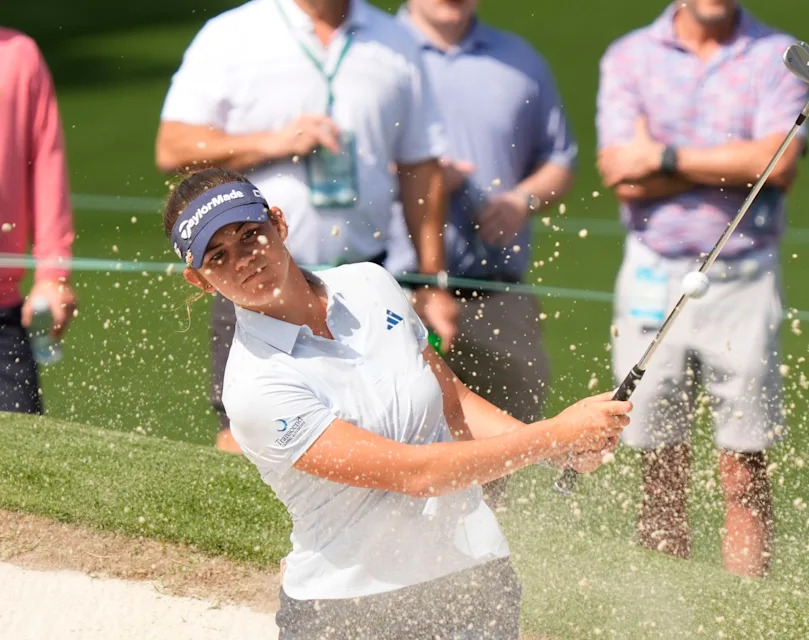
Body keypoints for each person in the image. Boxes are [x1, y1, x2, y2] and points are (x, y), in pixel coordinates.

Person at [162, 167, 631, 639]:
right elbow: (416, 474)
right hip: (350, 612)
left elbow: (454, 403)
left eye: (250, 236)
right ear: (200, 281)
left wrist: (557, 451)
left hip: (475, 576)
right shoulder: (254, 386)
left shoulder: (369, 284)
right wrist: (556, 433)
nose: (243, 260)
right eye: (218, 256)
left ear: (279, 224)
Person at [155, 0, 459, 454]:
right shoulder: (230, 34)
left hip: (367, 278)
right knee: (247, 441)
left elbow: (421, 169)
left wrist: (433, 280)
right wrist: (274, 142)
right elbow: (172, 147)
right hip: (248, 277)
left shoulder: (396, 41)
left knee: (400, 420)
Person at [596, 0, 809, 577]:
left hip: (744, 274)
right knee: (659, 462)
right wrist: (737, 160)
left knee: (744, 465)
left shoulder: (776, 56)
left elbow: (779, 162)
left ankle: (744, 614)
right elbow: (619, 171)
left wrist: (662, 157)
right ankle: (670, 613)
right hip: (650, 271)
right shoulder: (631, 56)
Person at [385, 0, 577, 505]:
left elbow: (561, 161)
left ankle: (485, 568)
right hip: (392, 286)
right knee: (398, 436)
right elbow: (342, 156)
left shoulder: (519, 60)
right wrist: (417, 177)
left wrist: (523, 199)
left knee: (503, 449)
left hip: (498, 291)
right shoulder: (378, 52)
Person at [0, 28, 77, 414]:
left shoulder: (20, 55)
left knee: (19, 460)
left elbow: (47, 167)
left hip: (2, 314)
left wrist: (53, 273)